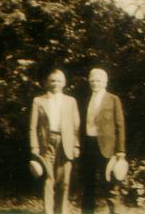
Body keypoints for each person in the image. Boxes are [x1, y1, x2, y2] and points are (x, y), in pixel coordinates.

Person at [29, 69, 81, 214]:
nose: (55, 84)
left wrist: (76, 145)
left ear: (64, 83)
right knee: (48, 179)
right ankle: (48, 211)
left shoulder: (71, 101)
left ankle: (62, 211)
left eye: (58, 81)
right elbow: (33, 127)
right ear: (47, 83)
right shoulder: (38, 101)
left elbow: (76, 126)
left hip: (67, 142)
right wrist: (34, 147)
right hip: (47, 143)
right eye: (52, 81)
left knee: (64, 181)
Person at [80, 68, 126, 214]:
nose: (95, 83)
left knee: (110, 185)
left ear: (105, 82)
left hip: (107, 148)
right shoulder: (85, 99)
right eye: (92, 80)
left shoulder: (113, 99)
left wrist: (121, 151)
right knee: (88, 184)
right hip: (88, 145)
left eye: (98, 80)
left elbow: (120, 126)